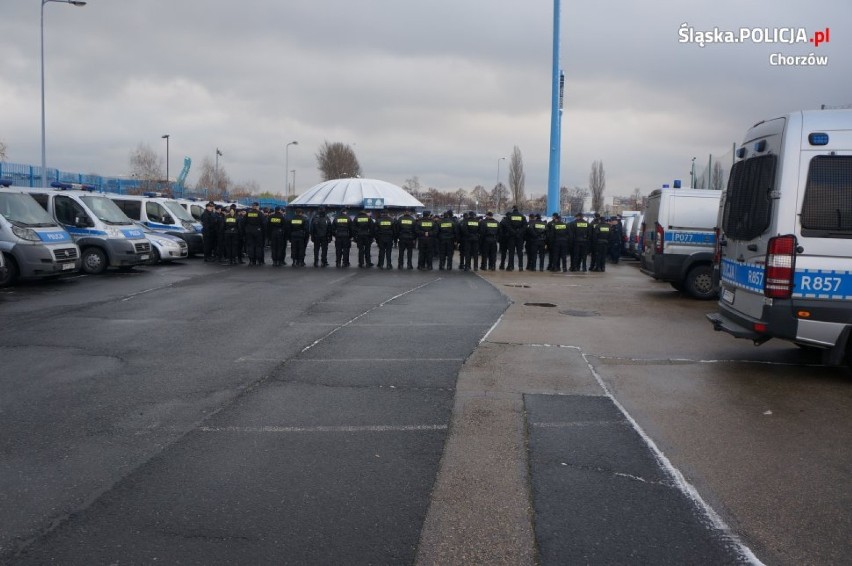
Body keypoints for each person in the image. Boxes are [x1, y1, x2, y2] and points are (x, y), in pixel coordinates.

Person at [505, 206, 527, 271]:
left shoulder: (509, 216)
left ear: (513, 209)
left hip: (511, 236)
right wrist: (519, 232)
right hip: (520, 237)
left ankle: (511, 266)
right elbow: (525, 226)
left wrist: (514, 232)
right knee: (520, 252)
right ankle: (521, 266)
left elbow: (507, 226)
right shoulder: (522, 216)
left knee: (511, 252)